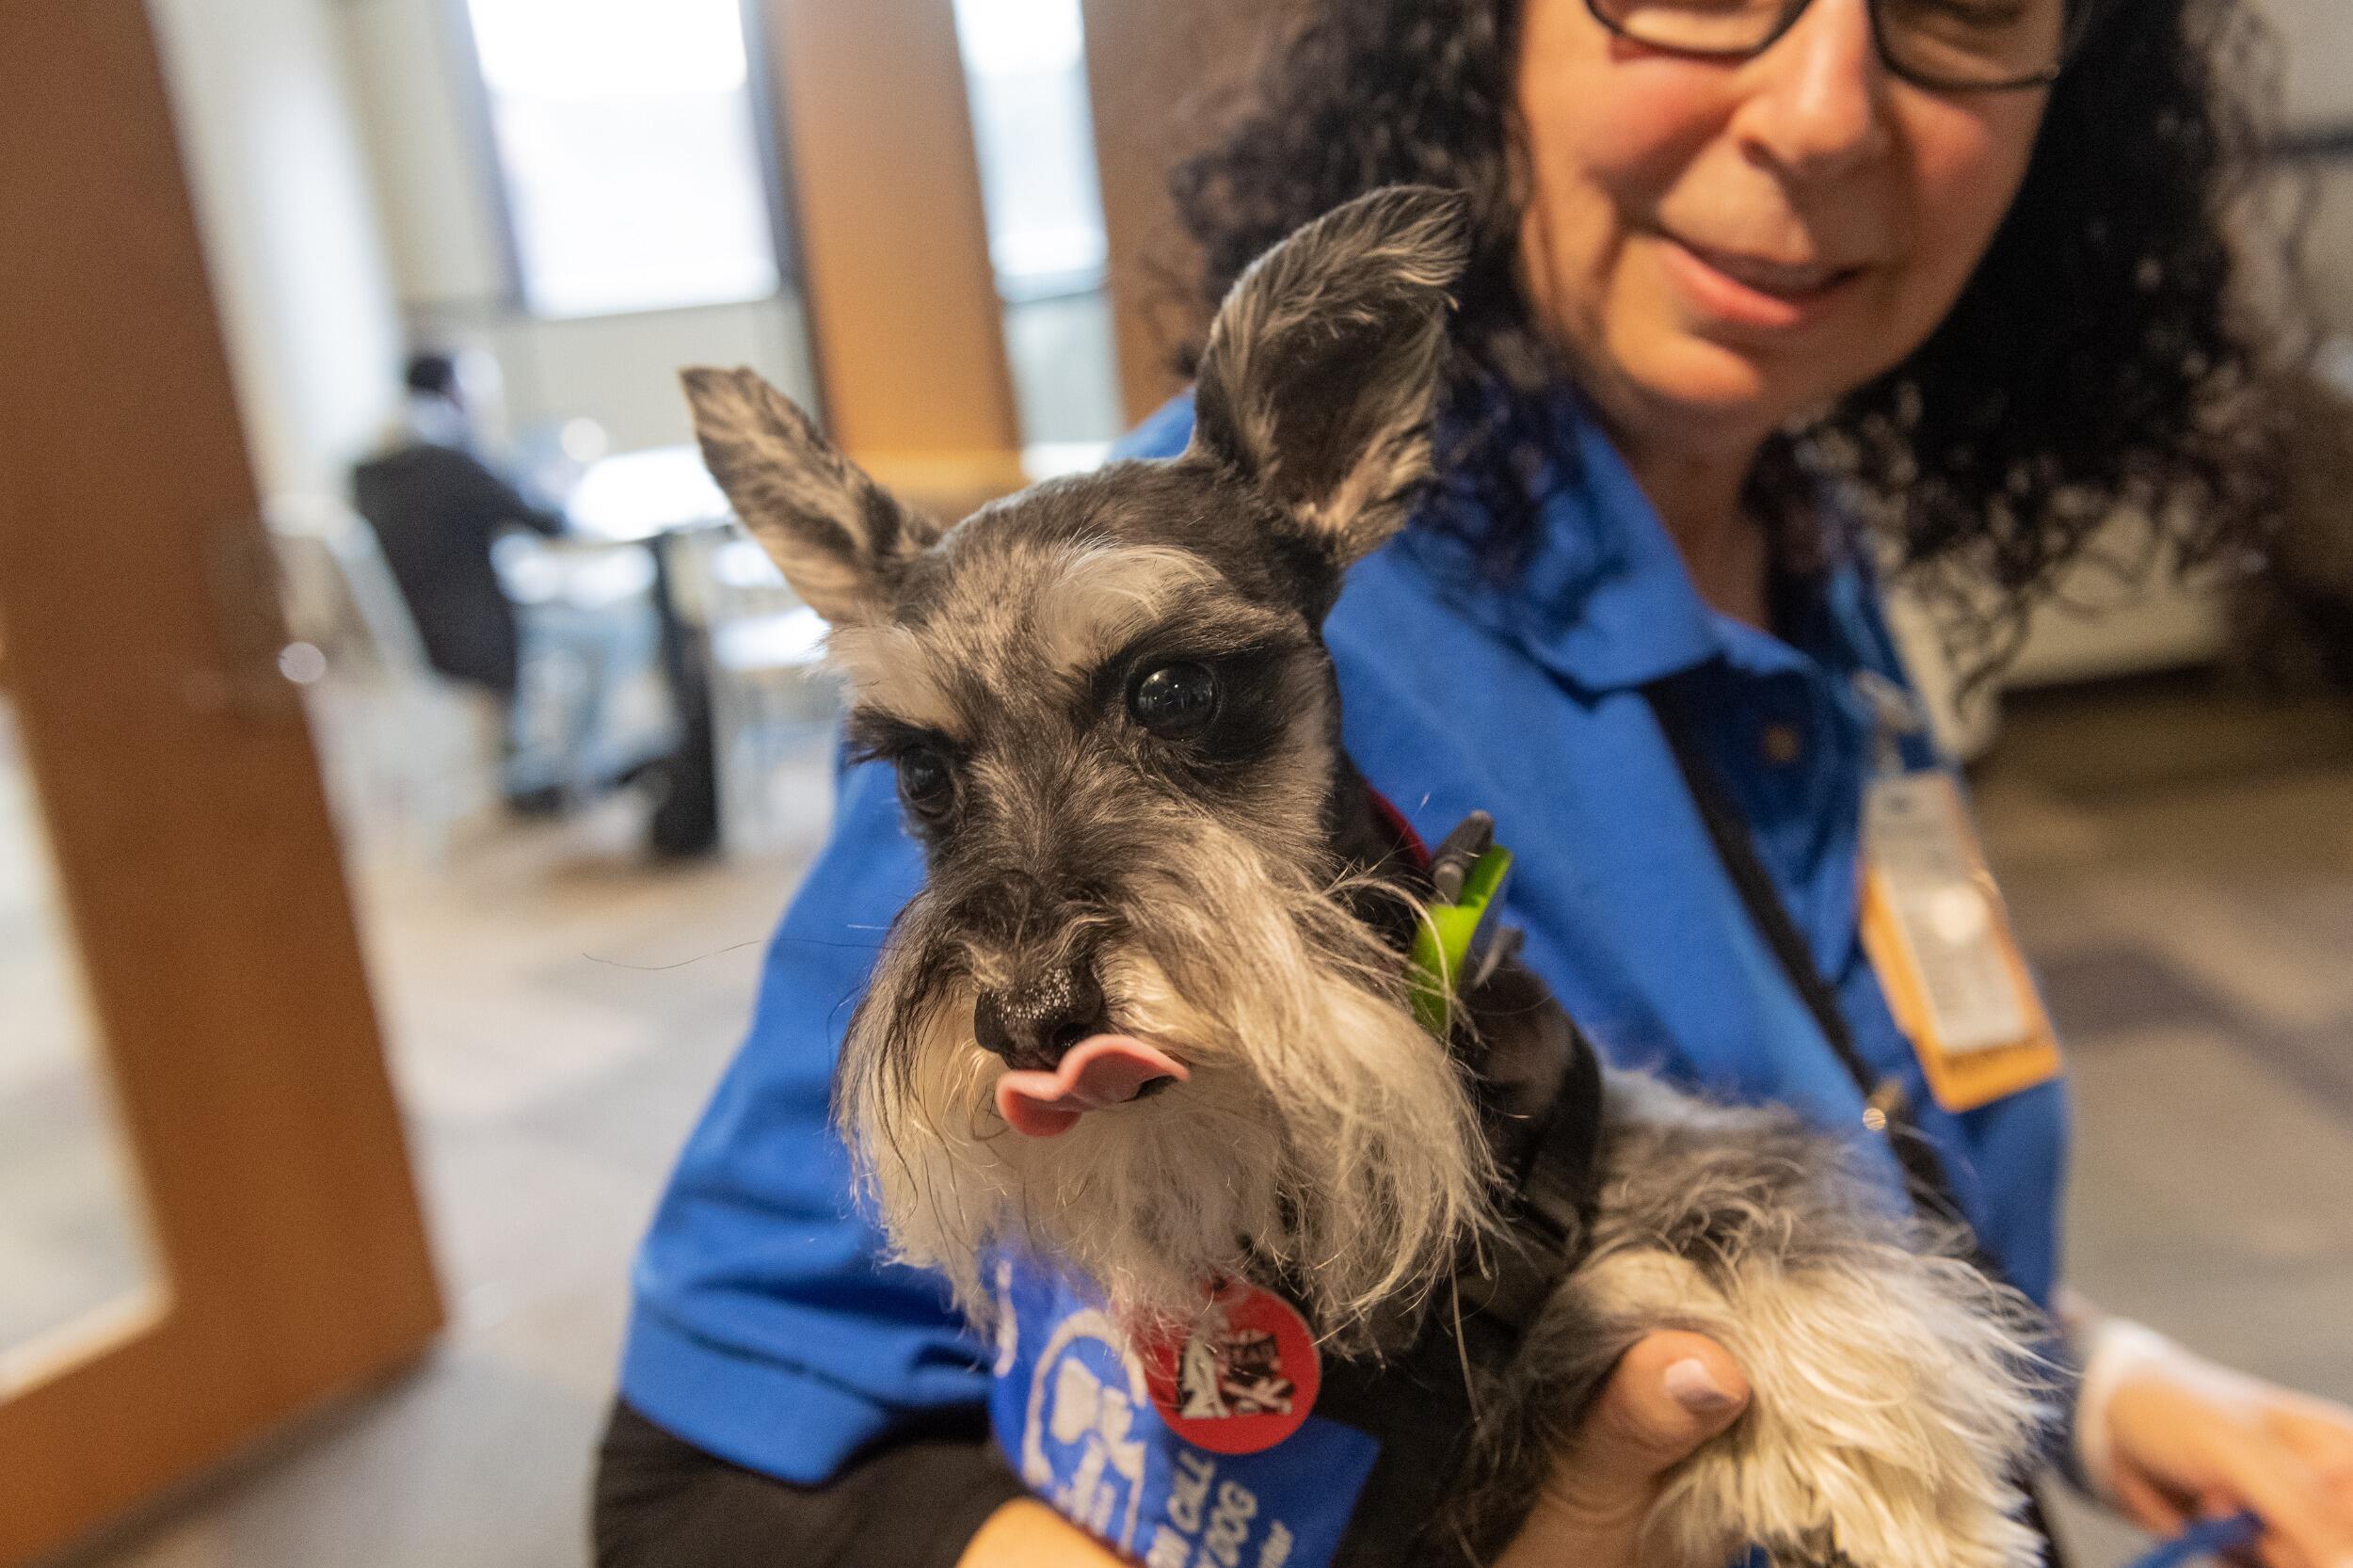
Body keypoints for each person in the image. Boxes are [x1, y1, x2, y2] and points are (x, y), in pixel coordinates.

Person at [595, 0, 2353, 1565]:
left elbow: (1841, 1135)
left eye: (1960, 2)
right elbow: (711, 1477)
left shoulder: (1798, 526)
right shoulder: (1121, 632)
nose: (1825, 104)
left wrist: (2108, 1387)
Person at [352, 349, 566, 705]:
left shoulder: (368, 470)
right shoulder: (452, 462)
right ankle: (563, 754)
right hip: (476, 641)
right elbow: (547, 523)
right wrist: (555, 486)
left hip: (410, 635)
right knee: (616, 633)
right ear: (454, 392)